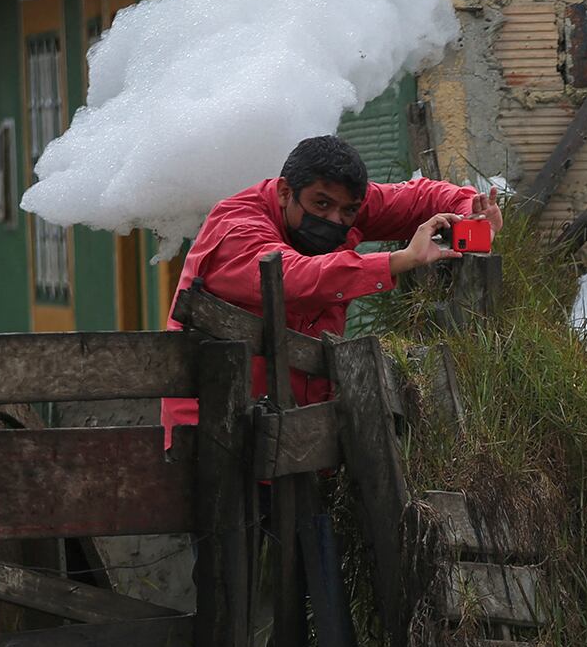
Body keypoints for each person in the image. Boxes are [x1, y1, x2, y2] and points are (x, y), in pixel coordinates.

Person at [159, 135, 500, 443]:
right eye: (321, 205)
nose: (335, 219)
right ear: (284, 192)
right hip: (214, 436)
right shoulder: (235, 228)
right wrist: (399, 260)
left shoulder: (341, 205)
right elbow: (293, 277)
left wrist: (471, 213)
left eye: (348, 210)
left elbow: (419, 198)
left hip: (299, 431)